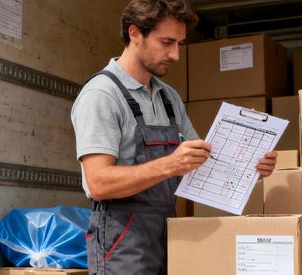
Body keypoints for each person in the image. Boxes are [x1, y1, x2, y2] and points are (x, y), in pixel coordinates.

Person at [70, 0, 278, 274]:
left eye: (179, 43)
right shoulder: (102, 95)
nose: (176, 55)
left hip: (168, 232)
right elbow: (98, 183)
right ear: (135, 34)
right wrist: (171, 164)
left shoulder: (169, 97)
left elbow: (200, 164)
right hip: (122, 240)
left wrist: (250, 168)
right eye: (167, 42)